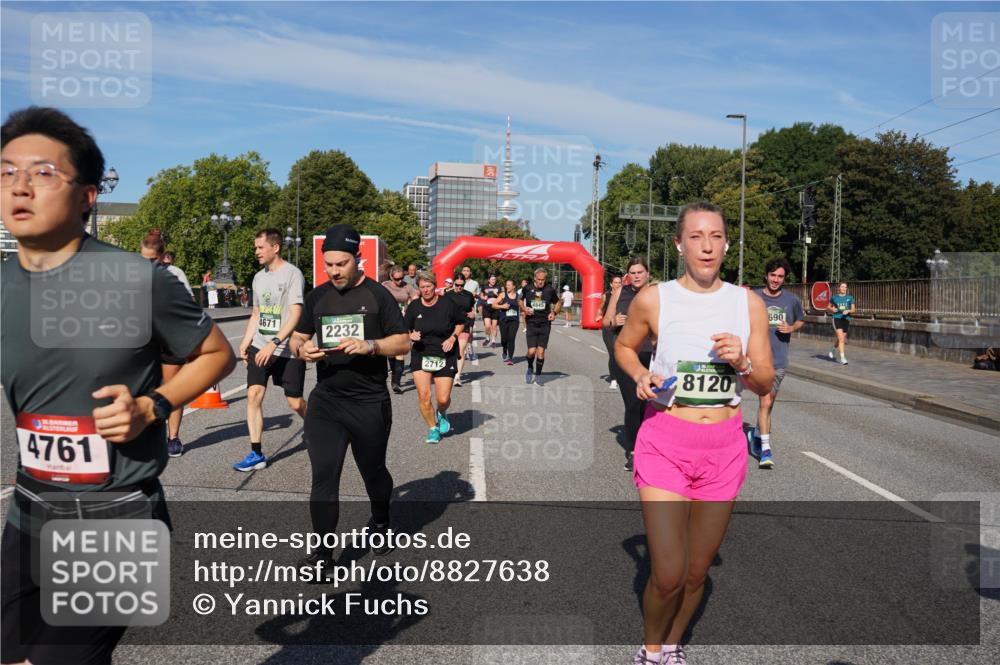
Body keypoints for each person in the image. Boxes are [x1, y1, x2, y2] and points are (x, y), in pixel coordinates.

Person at [1, 106, 235, 665]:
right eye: (7, 172)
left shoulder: (138, 280)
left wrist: (153, 406)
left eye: (43, 172)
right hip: (28, 513)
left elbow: (215, 354)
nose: (20, 186)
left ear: (87, 196)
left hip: (116, 520)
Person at [615, 201, 773, 665]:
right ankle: (648, 650)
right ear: (679, 244)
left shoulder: (748, 304)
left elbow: (764, 382)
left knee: (696, 572)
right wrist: (640, 374)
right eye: (697, 236)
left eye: (717, 236)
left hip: (723, 448)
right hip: (667, 438)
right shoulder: (655, 299)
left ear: (727, 243)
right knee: (666, 573)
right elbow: (626, 347)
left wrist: (742, 362)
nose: (708, 245)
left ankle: (672, 645)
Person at [289, 224, 410, 569]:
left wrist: (370, 346)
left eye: (341, 264)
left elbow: (402, 342)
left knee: (373, 473)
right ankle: (324, 556)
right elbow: (297, 338)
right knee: (324, 477)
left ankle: (381, 521)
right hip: (327, 401)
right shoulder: (318, 296)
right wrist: (303, 349)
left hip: (369, 401)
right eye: (329, 264)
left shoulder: (377, 296)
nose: (334, 271)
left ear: (358, 259)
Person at [233, 228, 308, 472]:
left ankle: (316, 427)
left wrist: (275, 342)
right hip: (259, 346)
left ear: (275, 247)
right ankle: (256, 453)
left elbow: (296, 314)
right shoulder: (258, 277)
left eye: (260, 247)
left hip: (286, 350)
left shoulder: (292, 274)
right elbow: (257, 313)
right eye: (255, 248)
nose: (256, 252)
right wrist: (246, 342)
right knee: (254, 395)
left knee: (295, 403)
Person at [139, 229, 196, 458]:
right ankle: (149, 437)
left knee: (173, 392)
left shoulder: (175, 274)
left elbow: (190, 305)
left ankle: (173, 438)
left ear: (163, 256)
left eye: (152, 260)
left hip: (171, 342)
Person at [750, 257, 805, 469]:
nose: (775, 280)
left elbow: (801, 319)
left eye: (780, 276)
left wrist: (791, 328)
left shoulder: (791, 300)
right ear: (766, 275)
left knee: (768, 403)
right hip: (756, 360)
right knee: (765, 402)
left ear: (784, 278)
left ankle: (757, 434)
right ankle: (765, 449)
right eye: (772, 275)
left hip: (779, 361)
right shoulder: (754, 297)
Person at [605, 258, 655, 472]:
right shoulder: (620, 293)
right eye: (632, 272)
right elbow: (605, 322)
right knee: (634, 404)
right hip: (627, 358)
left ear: (647, 273)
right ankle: (634, 451)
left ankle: (650, 448)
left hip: (651, 357)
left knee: (650, 406)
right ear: (628, 275)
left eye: (640, 272)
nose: (636, 276)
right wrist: (614, 322)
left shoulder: (656, 293)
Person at [405, 272, 465, 443]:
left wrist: (453, 337)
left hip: (445, 353)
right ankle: (433, 428)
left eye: (428, 286)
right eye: (422, 287)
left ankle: (442, 411)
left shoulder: (447, 303)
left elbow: (461, 323)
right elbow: (405, 327)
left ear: (434, 286)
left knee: (442, 398)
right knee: (424, 396)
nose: (426, 290)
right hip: (421, 353)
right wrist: (411, 334)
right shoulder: (415, 306)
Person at [519, 267, 561, 384]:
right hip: (531, 323)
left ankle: (538, 375)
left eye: (543, 279)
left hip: (544, 324)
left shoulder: (549, 290)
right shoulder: (527, 288)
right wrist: (524, 309)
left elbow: (558, 302)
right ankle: (529, 367)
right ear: (534, 278)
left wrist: (554, 312)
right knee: (531, 351)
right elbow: (520, 300)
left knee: (541, 351)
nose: (541, 281)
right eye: (539, 279)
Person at [382, 264, 419, 393]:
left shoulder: (407, 287)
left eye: (401, 278)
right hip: (385, 322)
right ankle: (393, 373)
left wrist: (413, 305)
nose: (399, 281)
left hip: (401, 322)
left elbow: (416, 299)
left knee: (399, 351)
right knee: (390, 352)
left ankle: (396, 382)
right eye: (396, 279)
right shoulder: (385, 286)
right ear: (391, 277)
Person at [444, 276, 476, 386]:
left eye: (461, 285)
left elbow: (471, 309)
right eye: (457, 285)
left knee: (461, 349)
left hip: (464, 324)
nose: (459, 287)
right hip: (450, 325)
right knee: (449, 349)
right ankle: (448, 370)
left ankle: (457, 376)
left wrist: (472, 317)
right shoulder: (448, 295)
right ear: (453, 284)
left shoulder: (469, 295)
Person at [600, 275, 624, 391]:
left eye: (619, 282)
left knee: (621, 354)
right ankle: (614, 379)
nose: (618, 284)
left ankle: (622, 376)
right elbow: (601, 309)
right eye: (615, 282)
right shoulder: (606, 296)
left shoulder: (625, 296)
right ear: (611, 284)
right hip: (609, 329)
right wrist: (598, 315)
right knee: (613, 353)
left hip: (621, 328)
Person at [493, 278, 521, 365]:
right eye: (506, 285)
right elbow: (494, 305)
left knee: (511, 339)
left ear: (513, 286)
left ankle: (510, 358)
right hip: (503, 320)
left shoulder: (518, 296)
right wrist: (502, 306)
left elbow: (522, 307)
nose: (507, 286)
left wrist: (527, 310)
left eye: (509, 285)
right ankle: (504, 351)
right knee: (504, 340)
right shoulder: (502, 295)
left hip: (514, 321)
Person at [828, 282, 855, 365]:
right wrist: (832, 309)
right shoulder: (834, 297)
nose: (843, 288)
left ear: (846, 289)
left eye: (845, 287)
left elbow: (853, 310)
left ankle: (833, 349)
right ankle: (843, 358)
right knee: (841, 339)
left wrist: (848, 311)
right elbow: (828, 306)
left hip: (846, 319)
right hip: (837, 318)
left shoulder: (850, 298)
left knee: (841, 338)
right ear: (839, 288)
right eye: (842, 287)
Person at [481, 274, 501, 347]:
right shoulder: (484, 287)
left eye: (495, 279)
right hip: (487, 307)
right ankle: (487, 338)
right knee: (487, 326)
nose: (493, 281)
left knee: (494, 326)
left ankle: (493, 341)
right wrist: (484, 298)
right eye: (492, 279)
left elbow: (502, 296)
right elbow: (481, 295)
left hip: (495, 308)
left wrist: (497, 295)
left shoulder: (498, 287)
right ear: (489, 280)